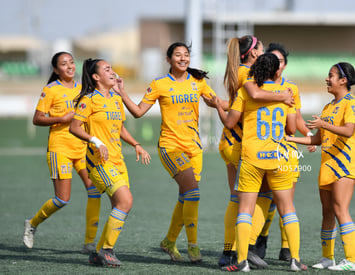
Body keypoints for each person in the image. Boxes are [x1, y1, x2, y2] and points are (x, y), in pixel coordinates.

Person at [115, 42, 216, 263]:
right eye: (178, 55)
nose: (183, 58)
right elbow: (139, 111)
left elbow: (215, 102)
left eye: (186, 55)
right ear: (168, 59)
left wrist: (243, 104)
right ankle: (193, 246)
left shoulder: (197, 81)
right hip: (170, 147)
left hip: (194, 149)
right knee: (193, 193)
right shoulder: (159, 84)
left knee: (186, 197)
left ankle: (169, 241)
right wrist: (122, 92)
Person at [211, 53, 307, 272]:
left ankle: (242, 261)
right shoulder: (287, 92)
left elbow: (229, 122)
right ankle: (295, 260)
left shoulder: (246, 90)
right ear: (276, 71)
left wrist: (218, 106)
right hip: (279, 156)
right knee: (288, 209)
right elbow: (291, 129)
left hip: (252, 158)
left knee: (244, 210)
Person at [286, 62, 355, 271]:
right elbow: (317, 140)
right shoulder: (328, 106)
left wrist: (323, 124)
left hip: (345, 164)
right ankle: (327, 258)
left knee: (340, 209)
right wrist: (288, 139)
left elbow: (349, 131)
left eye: (331, 75)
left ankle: (352, 261)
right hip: (328, 165)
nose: (327, 79)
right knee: (326, 212)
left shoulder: (351, 102)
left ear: (343, 81)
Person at [69, 58, 151, 267]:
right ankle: (106, 250)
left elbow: (120, 128)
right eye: (107, 69)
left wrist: (136, 144)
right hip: (99, 163)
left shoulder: (115, 99)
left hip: (118, 161)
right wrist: (95, 141)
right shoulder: (89, 100)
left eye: (112, 68)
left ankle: (98, 254)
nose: (112, 72)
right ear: (96, 77)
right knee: (126, 201)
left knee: (119, 205)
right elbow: (75, 127)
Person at [23, 52, 101, 254]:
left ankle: (89, 243)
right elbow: (37, 119)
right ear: (56, 70)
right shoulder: (50, 90)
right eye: (64, 64)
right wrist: (62, 118)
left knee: (94, 191)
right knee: (62, 199)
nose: (70, 67)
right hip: (60, 149)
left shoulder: (82, 88)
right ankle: (32, 223)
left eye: (72, 63)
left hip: (82, 149)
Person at [253, 43, 316, 262]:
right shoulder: (257, 85)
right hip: (263, 151)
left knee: (285, 199)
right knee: (267, 198)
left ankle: (287, 248)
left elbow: (296, 119)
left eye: (280, 61)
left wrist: (308, 135)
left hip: (286, 151)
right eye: (273, 60)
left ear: (285, 65)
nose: (277, 65)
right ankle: (261, 239)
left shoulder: (291, 88)